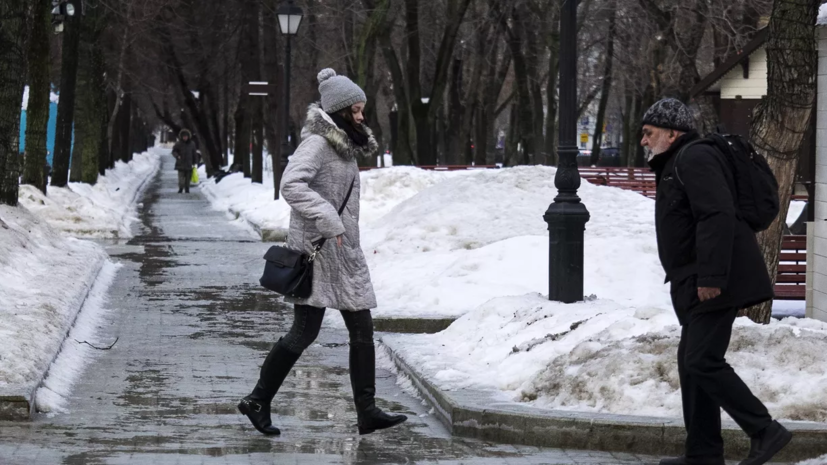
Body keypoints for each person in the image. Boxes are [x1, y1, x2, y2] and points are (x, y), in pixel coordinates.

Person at [237, 68, 407, 436]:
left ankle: (367, 410)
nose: (362, 117)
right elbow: (290, 185)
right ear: (340, 110)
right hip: (318, 253)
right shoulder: (317, 144)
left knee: (361, 329)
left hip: (343, 255)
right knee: (303, 334)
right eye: (357, 110)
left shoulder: (342, 145)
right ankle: (257, 400)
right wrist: (328, 217)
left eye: (363, 110)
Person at [642, 98, 791, 465]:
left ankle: (765, 430)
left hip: (713, 279)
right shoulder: (679, 161)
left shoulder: (693, 157)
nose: (643, 141)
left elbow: (717, 214)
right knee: (691, 364)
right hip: (695, 278)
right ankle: (703, 453)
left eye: (649, 133)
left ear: (671, 132)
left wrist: (710, 276)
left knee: (702, 360)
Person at [172, 129, 197, 194]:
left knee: (188, 178)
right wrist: (177, 156)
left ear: (188, 136)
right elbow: (174, 151)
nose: (185, 138)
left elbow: (194, 153)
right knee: (181, 178)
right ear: (181, 137)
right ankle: (180, 188)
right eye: (184, 136)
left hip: (189, 164)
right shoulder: (178, 143)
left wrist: (195, 162)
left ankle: (187, 189)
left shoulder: (192, 144)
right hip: (180, 163)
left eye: (186, 136)